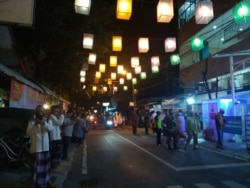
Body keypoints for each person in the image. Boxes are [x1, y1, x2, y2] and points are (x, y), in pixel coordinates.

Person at [26, 105, 54, 188]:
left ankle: (47, 181)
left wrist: (44, 123)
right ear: (36, 111)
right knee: (36, 168)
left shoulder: (48, 119)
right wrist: (35, 124)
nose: (42, 112)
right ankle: (37, 184)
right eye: (40, 111)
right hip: (36, 148)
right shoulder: (32, 121)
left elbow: (51, 129)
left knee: (46, 167)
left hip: (45, 147)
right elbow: (29, 133)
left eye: (43, 111)